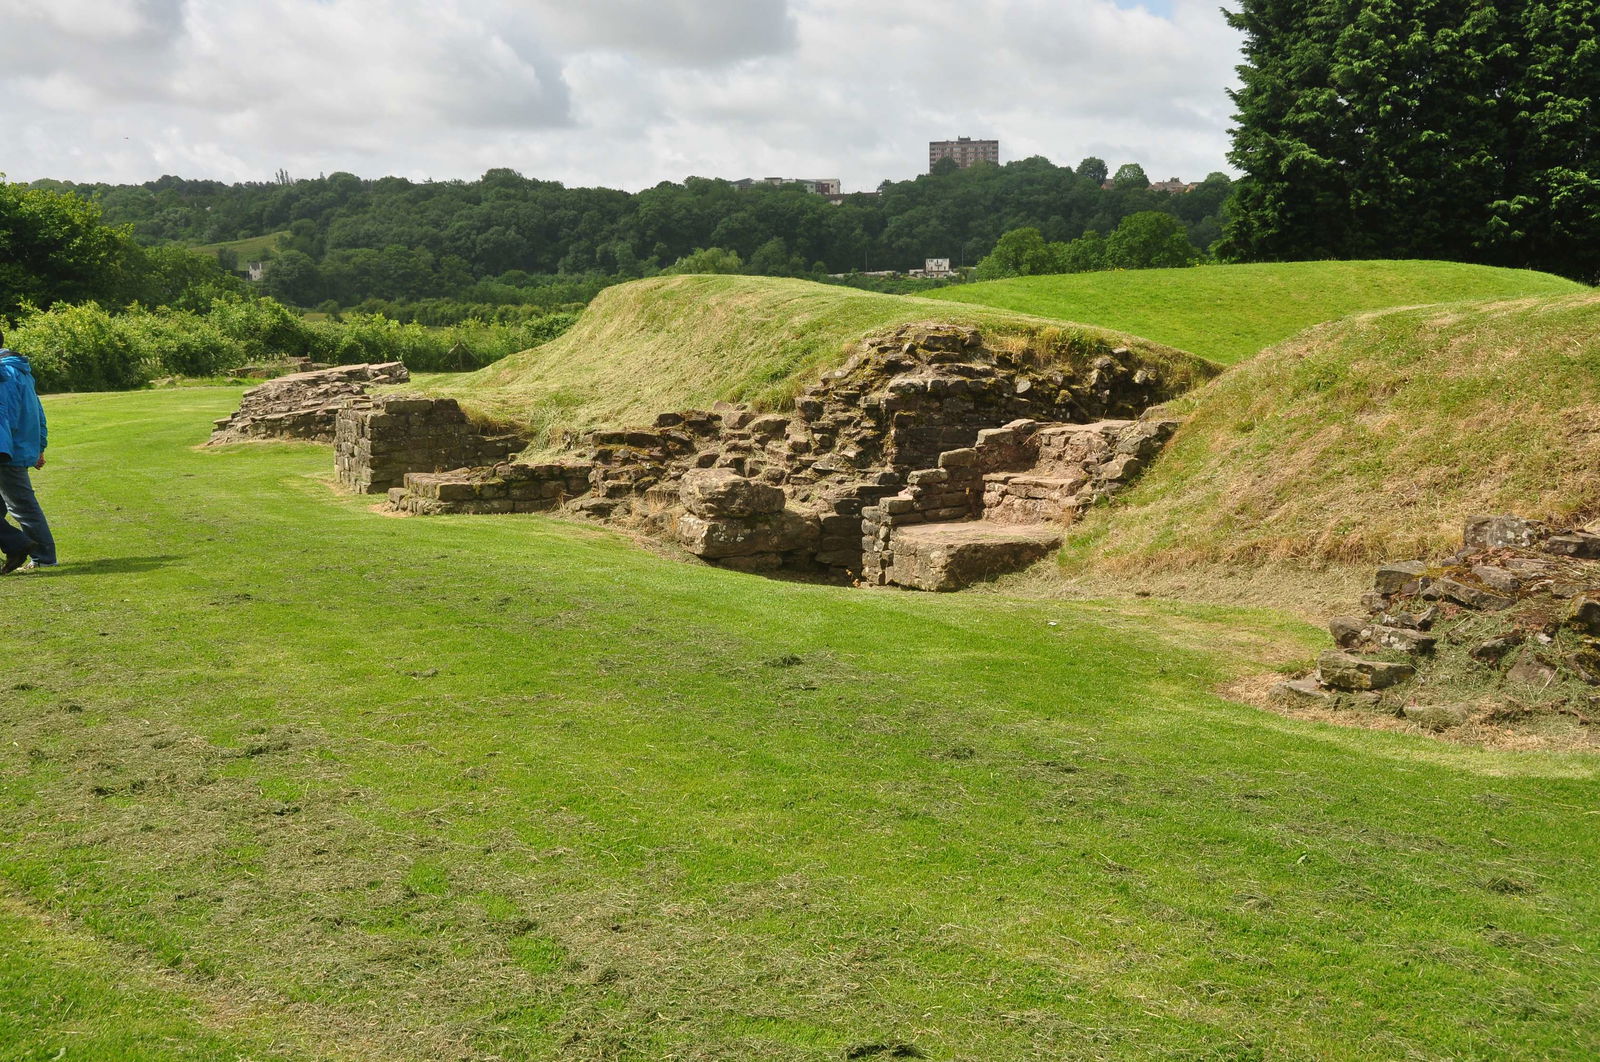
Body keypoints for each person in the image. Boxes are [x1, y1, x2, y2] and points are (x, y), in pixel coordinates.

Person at [0, 331, 55, 572]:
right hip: (15, 447)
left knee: (21, 505)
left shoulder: (6, 374)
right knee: (17, 505)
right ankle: (21, 548)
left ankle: (41, 555)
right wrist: (39, 445)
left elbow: (6, 416)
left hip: (7, 450)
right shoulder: (20, 370)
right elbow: (37, 411)